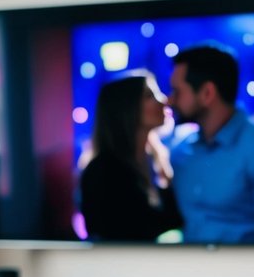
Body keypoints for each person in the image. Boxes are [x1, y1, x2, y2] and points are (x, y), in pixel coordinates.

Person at [168, 43, 254, 243]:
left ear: (207, 93)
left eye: (177, 91)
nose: (170, 101)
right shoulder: (182, 150)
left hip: (245, 273)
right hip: (187, 271)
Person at [79, 71, 184, 242]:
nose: (163, 100)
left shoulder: (156, 160)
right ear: (126, 108)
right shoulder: (102, 172)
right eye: (150, 95)